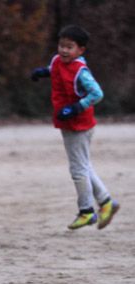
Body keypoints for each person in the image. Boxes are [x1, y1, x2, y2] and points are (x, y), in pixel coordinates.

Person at [31, 25, 120, 230]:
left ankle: (87, 211)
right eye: (61, 45)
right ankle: (106, 202)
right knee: (84, 165)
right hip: (67, 122)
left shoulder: (81, 71)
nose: (63, 50)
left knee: (78, 169)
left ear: (80, 50)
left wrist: (76, 108)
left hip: (79, 124)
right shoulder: (57, 61)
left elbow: (97, 94)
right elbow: (57, 71)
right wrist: (44, 72)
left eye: (69, 47)